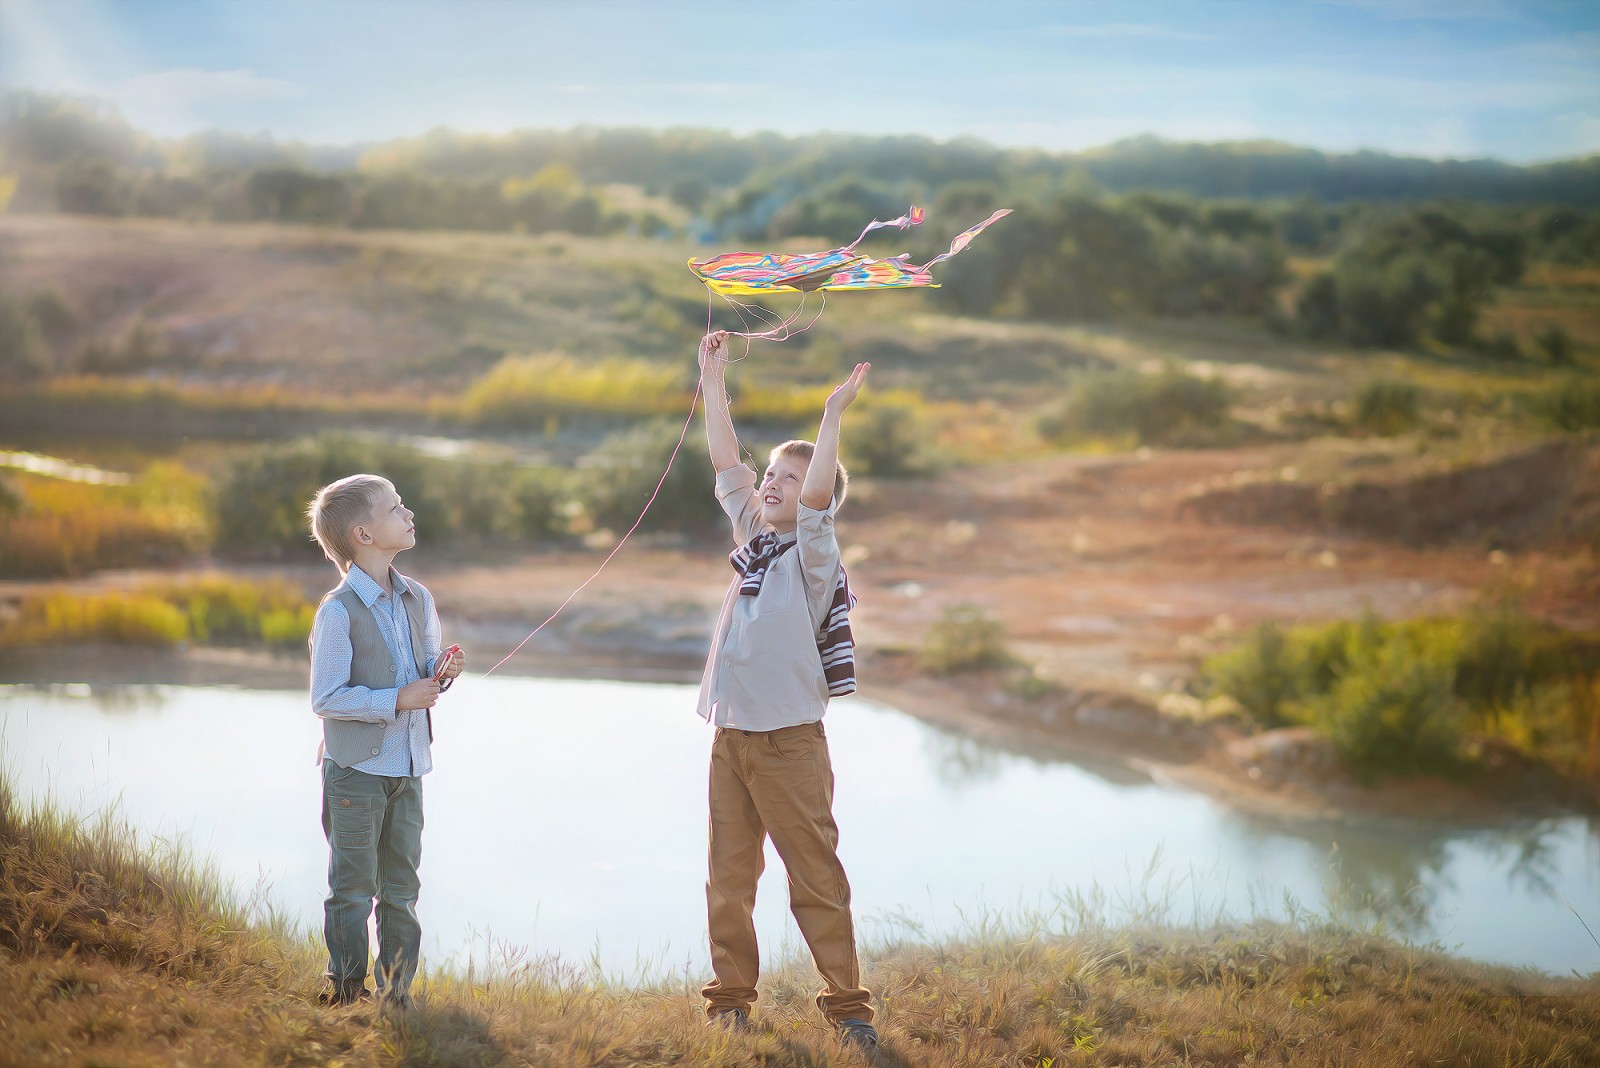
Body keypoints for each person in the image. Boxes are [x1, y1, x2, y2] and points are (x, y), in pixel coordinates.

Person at [694, 330, 879, 1051]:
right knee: (728, 879)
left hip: (790, 744)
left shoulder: (810, 557)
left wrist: (831, 418)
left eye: (789, 479)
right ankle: (729, 1001)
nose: (772, 483)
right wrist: (711, 381)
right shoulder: (753, 536)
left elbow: (820, 501)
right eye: (773, 474)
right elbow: (725, 460)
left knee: (814, 876)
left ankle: (849, 1008)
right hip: (730, 737)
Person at [305, 473, 464, 1008]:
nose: (409, 514)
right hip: (355, 772)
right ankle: (346, 991)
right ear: (363, 534)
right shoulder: (336, 611)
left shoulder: (418, 597)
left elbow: (421, 675)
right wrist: (398, 698)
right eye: (396, 508)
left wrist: (441, 673)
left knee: (402, 891)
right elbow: (325, 698)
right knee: (352, 890)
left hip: (411, 765)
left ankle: (396, 993)